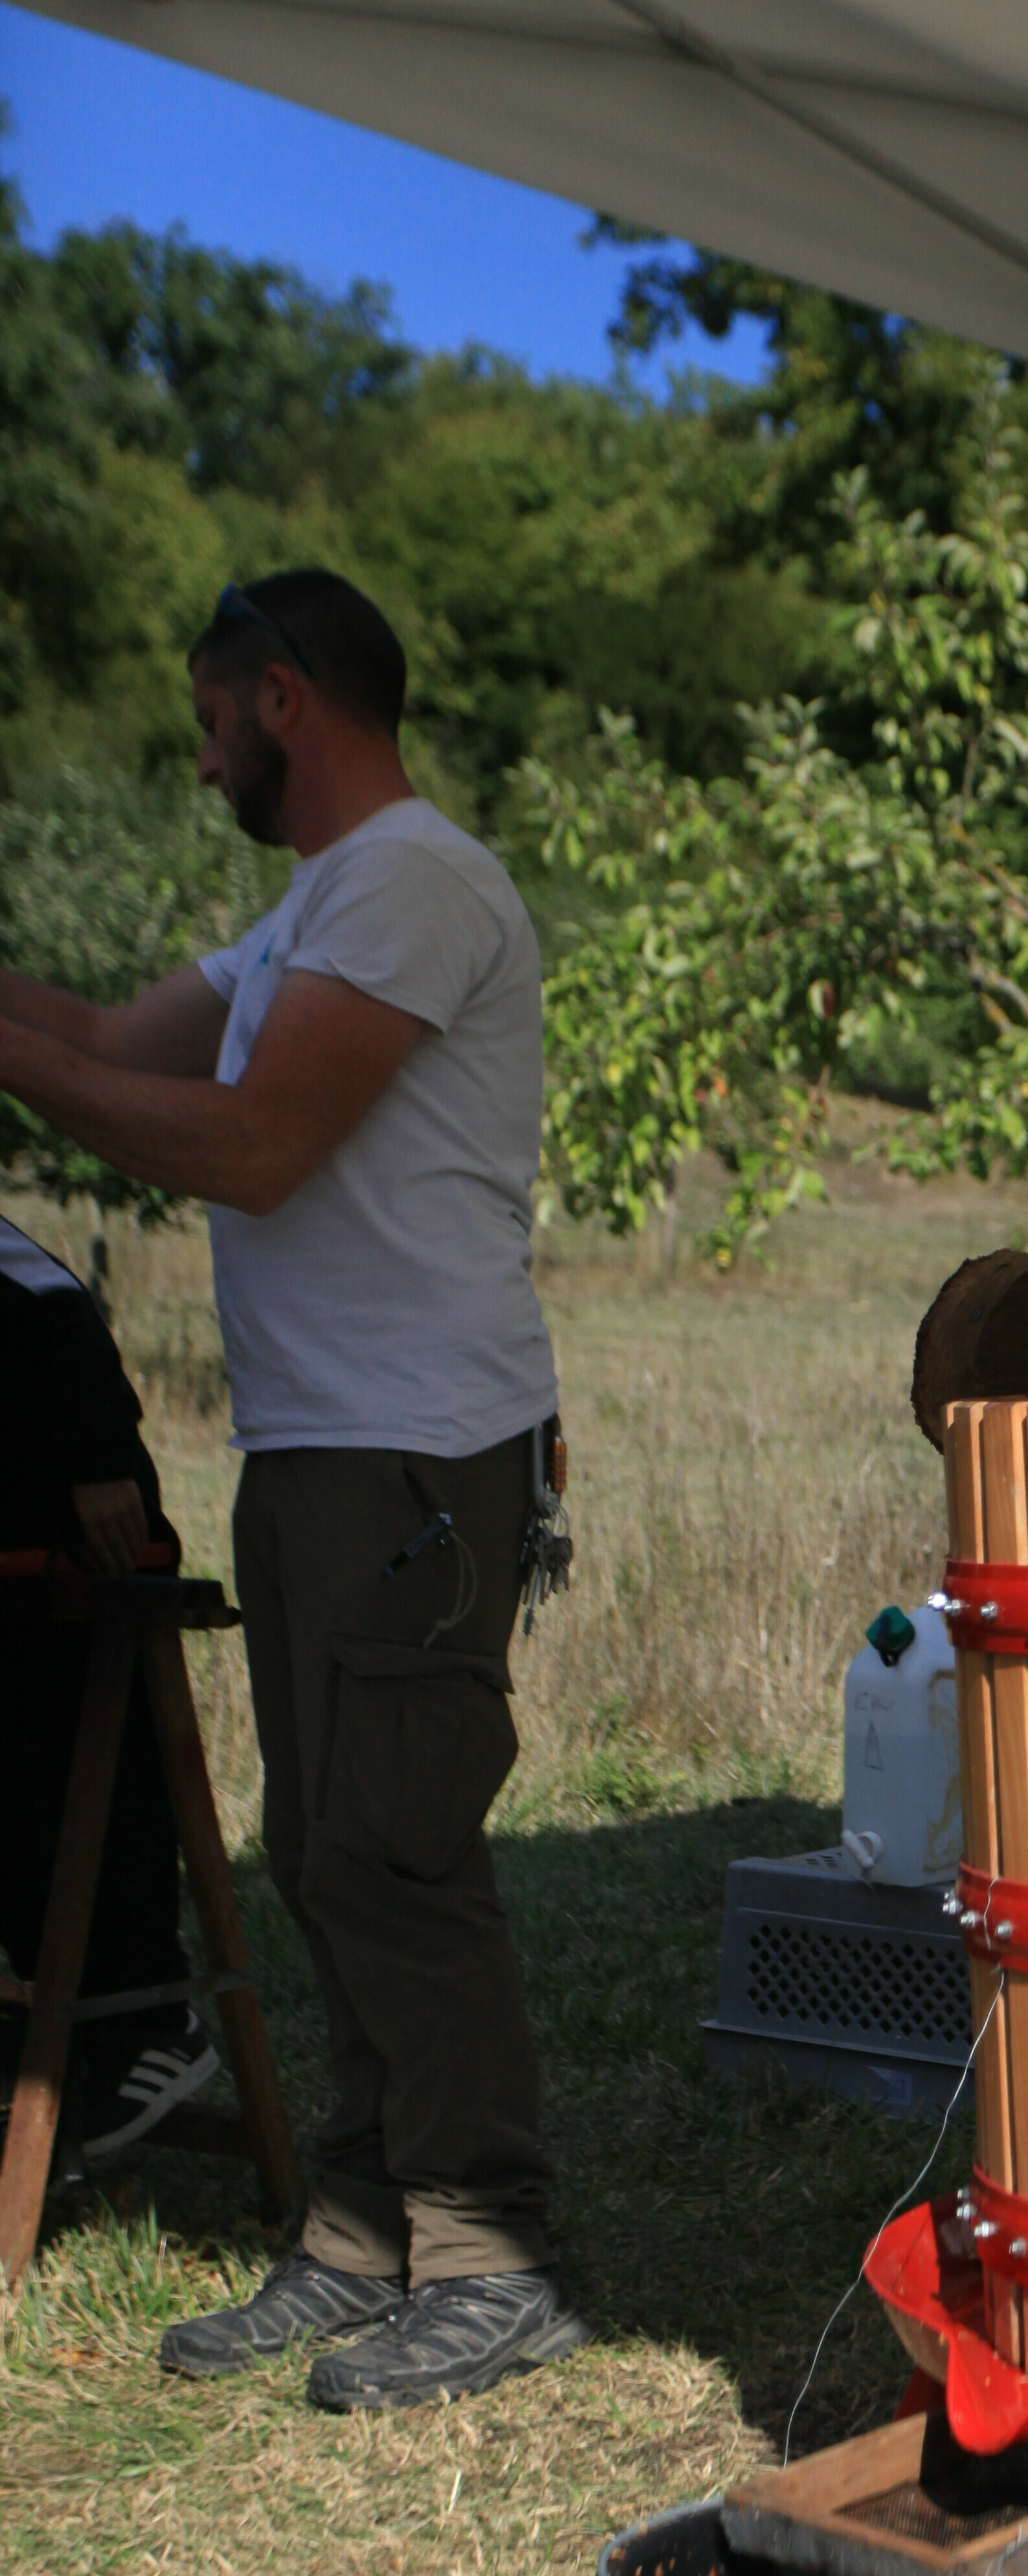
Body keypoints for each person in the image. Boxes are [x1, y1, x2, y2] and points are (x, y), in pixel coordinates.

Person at [0, 570, 588, 2408]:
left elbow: (254, 1149)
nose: (193, 761)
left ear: (279, 699)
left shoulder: (413, 880)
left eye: (200, 721)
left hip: (412, 1448)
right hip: (328, 1448)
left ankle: (492, 2251)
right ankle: (362, 2230)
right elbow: (101, 1037)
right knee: (328, 1851)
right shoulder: (313, 913)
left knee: (397, 1852)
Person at [0, 1213, 218, 2160]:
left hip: (65, 1548)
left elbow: (43, 1288)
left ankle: (147, 2022)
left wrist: (97, 1450)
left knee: (80, 1761)